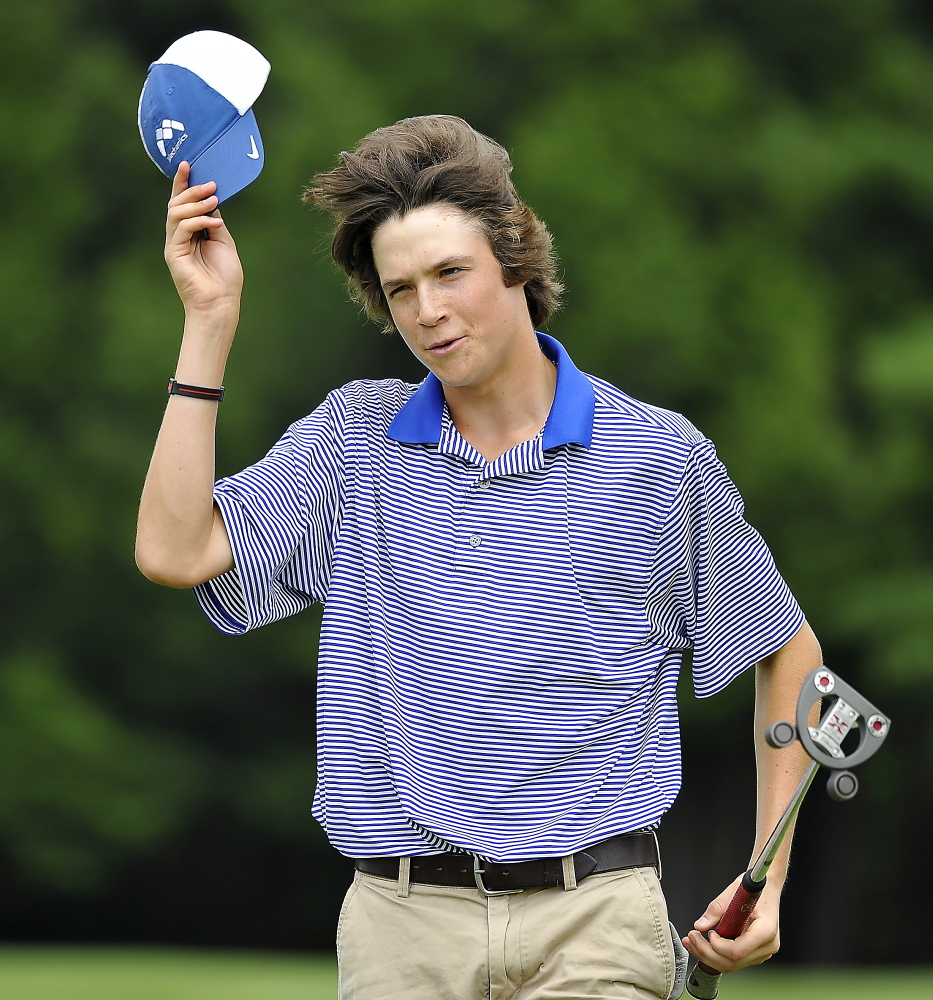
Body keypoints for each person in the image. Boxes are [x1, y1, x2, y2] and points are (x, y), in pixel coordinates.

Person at [136, 115, 822, 1000]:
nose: (427, 310)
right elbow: (173, 548)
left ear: (517, 264)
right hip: (401, 926)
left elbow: (787, 653)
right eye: (400, 289)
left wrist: (767, 874)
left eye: (450, 273)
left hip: (596, 923)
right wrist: (208, 317)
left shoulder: (655, 456)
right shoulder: (354, 442)